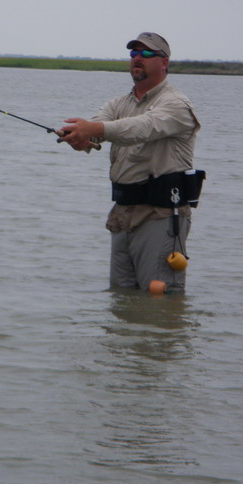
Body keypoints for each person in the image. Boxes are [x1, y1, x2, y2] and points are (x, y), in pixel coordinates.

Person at [59, 32, 203, 292]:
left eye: (146, 53)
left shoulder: (176, 104)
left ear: (164, 62)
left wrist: (94, 129)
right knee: (121, 298)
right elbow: (99, 125)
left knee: (159, 295)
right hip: (123, 212)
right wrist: (80, 138)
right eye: (134, 53)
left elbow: (140, 127)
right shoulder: (118, 104)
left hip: (161, 213)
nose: (138, 57)